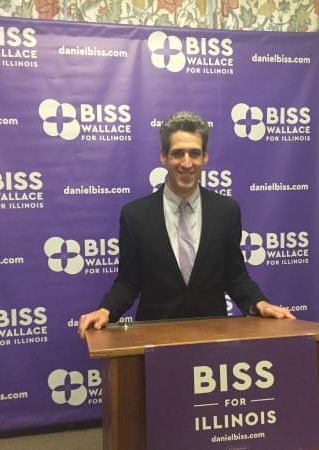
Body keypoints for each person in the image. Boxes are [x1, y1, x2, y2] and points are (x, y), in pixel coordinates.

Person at [78, 111, 295, 338]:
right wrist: (106, 310)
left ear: (205, 157)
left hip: (212, 338)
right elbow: (128, 282)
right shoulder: (135, 215)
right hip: (155, 340)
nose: (187, 163)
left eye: (194, 153)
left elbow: (235, 276)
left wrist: (259, 303)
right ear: (163, 156)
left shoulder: (226, 211)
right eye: (177, 153)